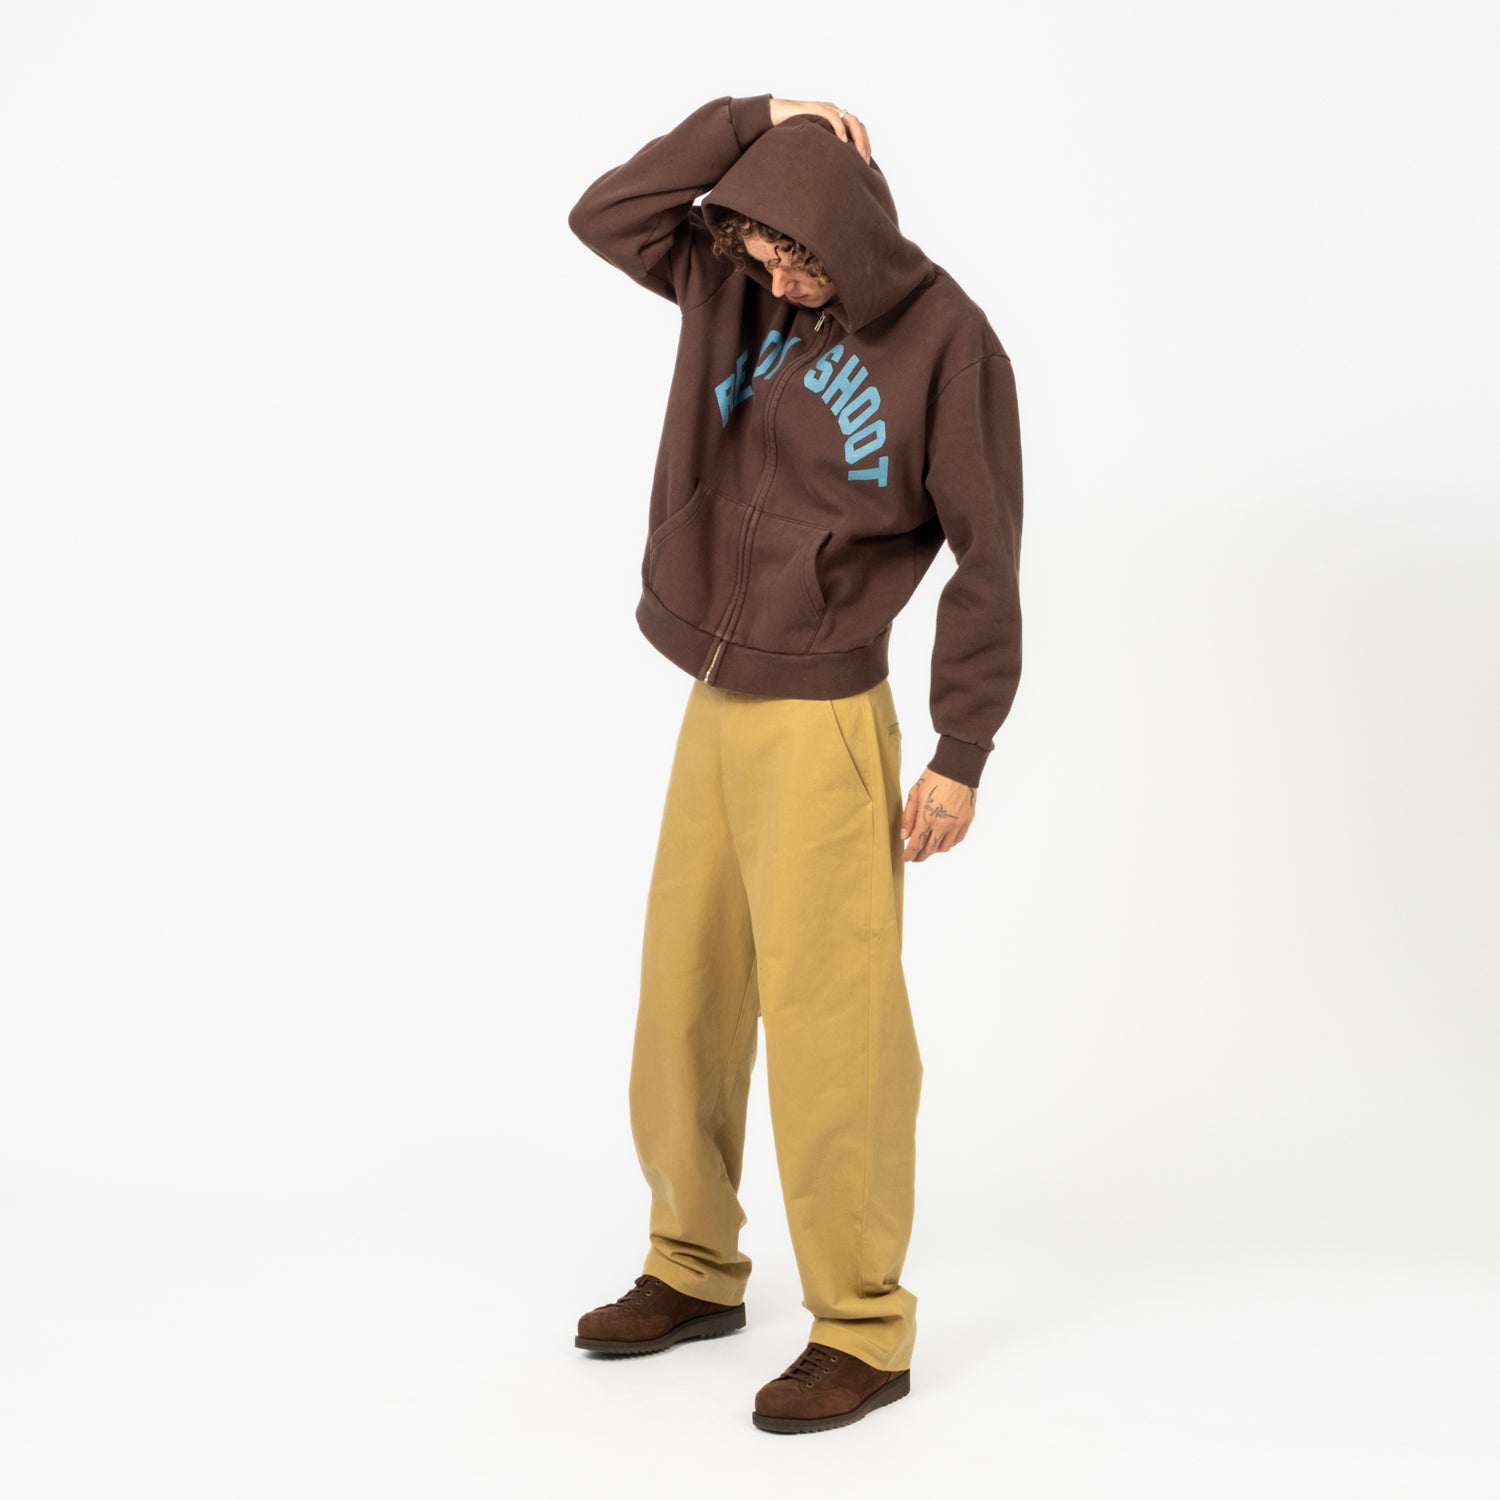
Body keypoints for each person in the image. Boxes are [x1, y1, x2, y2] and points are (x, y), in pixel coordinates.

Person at [566, 93, 1024, 1434]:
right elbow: (607, 213)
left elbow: (988, 558)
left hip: (825, 712)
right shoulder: (735, 283)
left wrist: (960, 749)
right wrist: (748, 119)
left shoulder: (949, 342)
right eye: (756, 250)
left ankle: (863, 1326)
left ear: (852, 230)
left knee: (834, 1023)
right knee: (687, 995)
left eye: (797, 256)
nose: (774, 279)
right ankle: (692, 1266)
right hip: (715, 693)